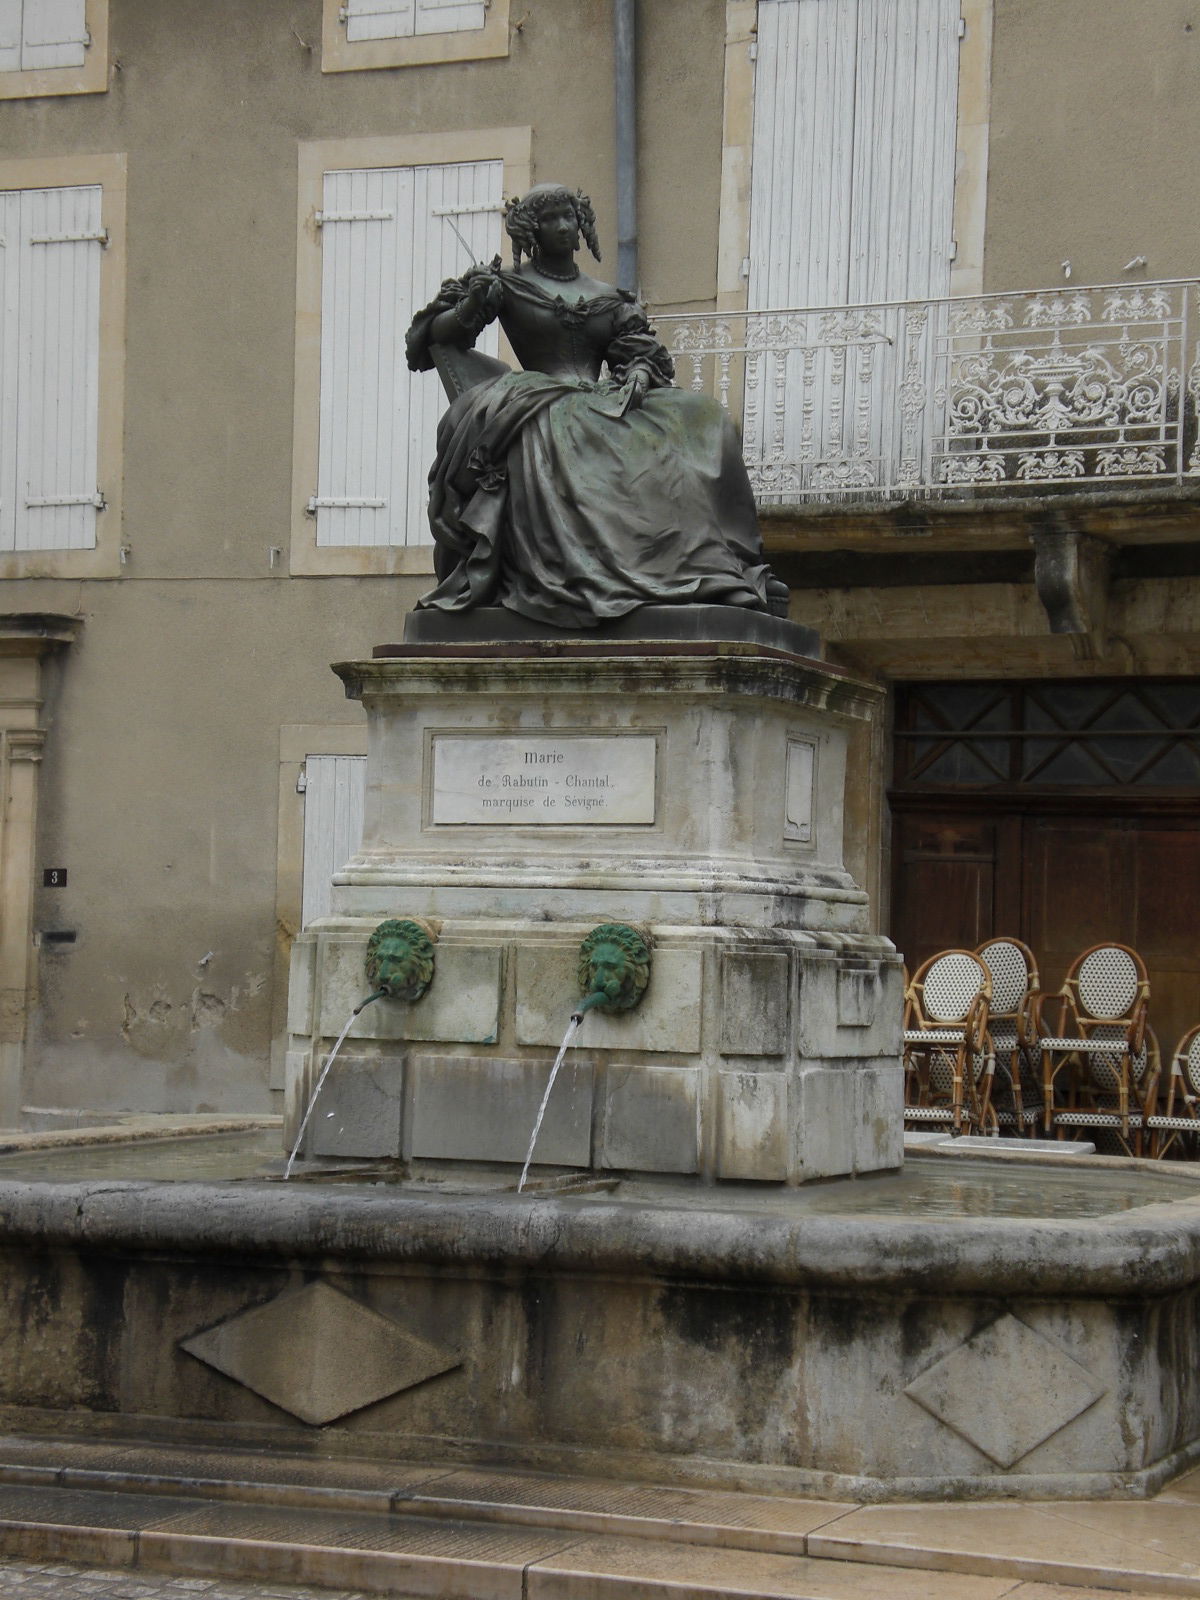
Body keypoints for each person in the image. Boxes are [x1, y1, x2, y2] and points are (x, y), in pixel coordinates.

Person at [405, 183, 789, 629]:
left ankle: (718, 565)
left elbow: (639, 353)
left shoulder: (608, 296)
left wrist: (640, 377)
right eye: (552, 219)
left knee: (705, 418)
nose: (564, 227)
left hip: (605, 396)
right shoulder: (509, 285)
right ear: (532, 228)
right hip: (538, 397)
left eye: (570, 216)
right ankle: (596, 569)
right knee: (566, 434)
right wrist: (473, 302)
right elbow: (434, 340)